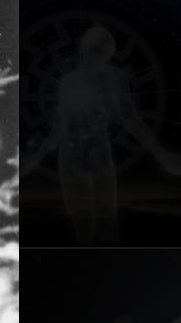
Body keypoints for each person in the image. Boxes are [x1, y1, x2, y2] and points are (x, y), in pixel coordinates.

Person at [36, 25, 181, 247]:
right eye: (90, 49)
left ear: (105, 54)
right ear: (83, 48)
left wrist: (160, 154)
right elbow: (59, 127)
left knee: (106, 226)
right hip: (71, 159)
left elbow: (130, 118)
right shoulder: (68, 82)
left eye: (98, 51)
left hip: (96, 156)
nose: (91, 56)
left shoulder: (113, 77)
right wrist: (33, 159)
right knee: (83, 229)